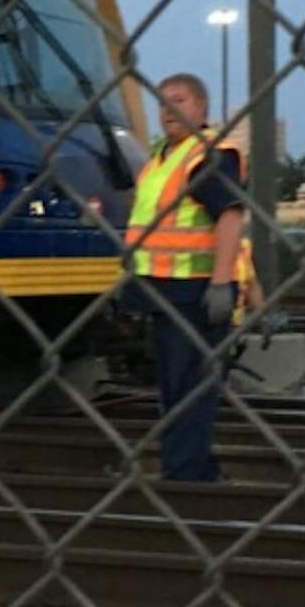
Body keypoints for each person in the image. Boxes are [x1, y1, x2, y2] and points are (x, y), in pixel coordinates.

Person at [124, 73, 245, 482]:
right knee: (178, 386)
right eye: (162, 102)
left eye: (179, 100)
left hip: (193, 293)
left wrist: (220, 283)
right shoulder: (161, 157)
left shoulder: (208, 155)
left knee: (189, 387)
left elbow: (230, 214)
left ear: (201, 108)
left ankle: (184, 473)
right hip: (164, 292)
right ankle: (196, 466)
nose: (168, 110)